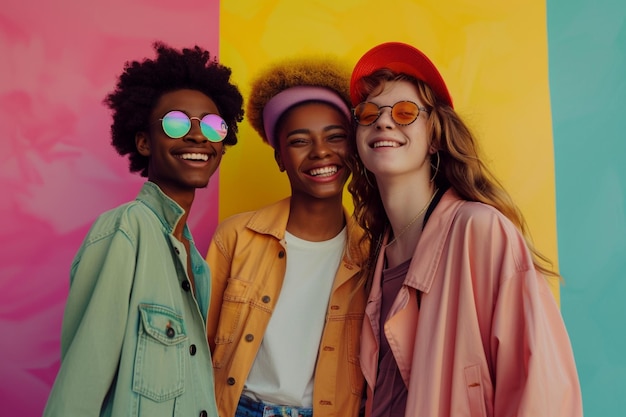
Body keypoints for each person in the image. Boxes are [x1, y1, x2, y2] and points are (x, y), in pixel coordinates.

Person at [347, 42, 583, 417]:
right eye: (369, 112)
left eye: (406, 112)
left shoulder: (481, 229)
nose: (383, 121)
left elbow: (542, 386)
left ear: (436, 136)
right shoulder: (373, 253)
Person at [42, 42, 244, 417]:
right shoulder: (126, 229)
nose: (199, 136)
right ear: (143, 141)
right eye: (176, 123)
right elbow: (81, 382)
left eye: (214, 127)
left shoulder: (192, 256)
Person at [206, 56, 368, 417]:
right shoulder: (236, 236)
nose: (321, 151)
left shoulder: (374, 253)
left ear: (354, 148)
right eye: (299, 141)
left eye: (336, 136)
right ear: (280, 157)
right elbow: (200, 344)